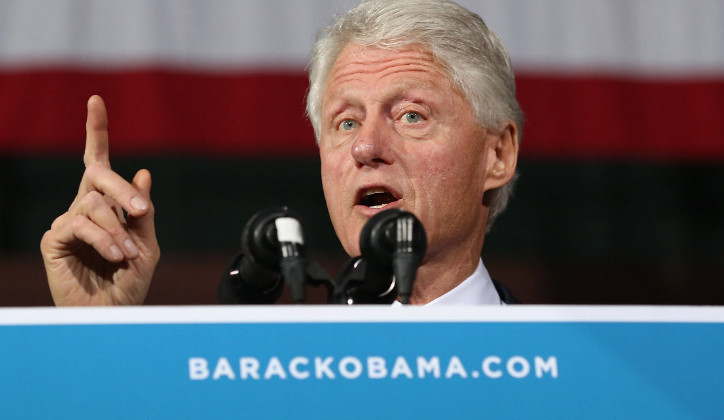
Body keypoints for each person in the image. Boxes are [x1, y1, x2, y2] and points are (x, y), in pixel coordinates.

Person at [40, 0, 522, 306]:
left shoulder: (580, 379)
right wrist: (97, 335)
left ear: (497, 154)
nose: (366, 147)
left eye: (411, 116)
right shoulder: (259, 378)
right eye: (346, 122)